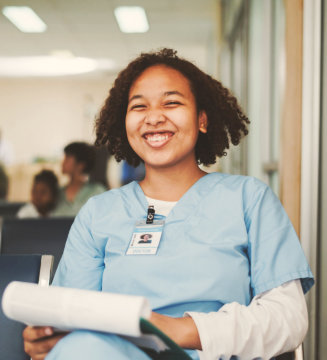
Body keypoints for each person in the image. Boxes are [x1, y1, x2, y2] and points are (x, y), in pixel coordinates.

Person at [23, 48, 314, 360]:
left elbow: (287, 317)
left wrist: (178, 329)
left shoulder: (248, 200)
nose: (154, 117)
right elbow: (73, 313)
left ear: (202, 119)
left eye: (172, 102)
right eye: (139, 107)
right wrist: (48, 336)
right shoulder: (98, 213)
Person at [52, 142, 106, 217]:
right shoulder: (56, 193)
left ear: (81, 165)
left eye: (67, 158)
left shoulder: (97, 192)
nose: (63, 163)